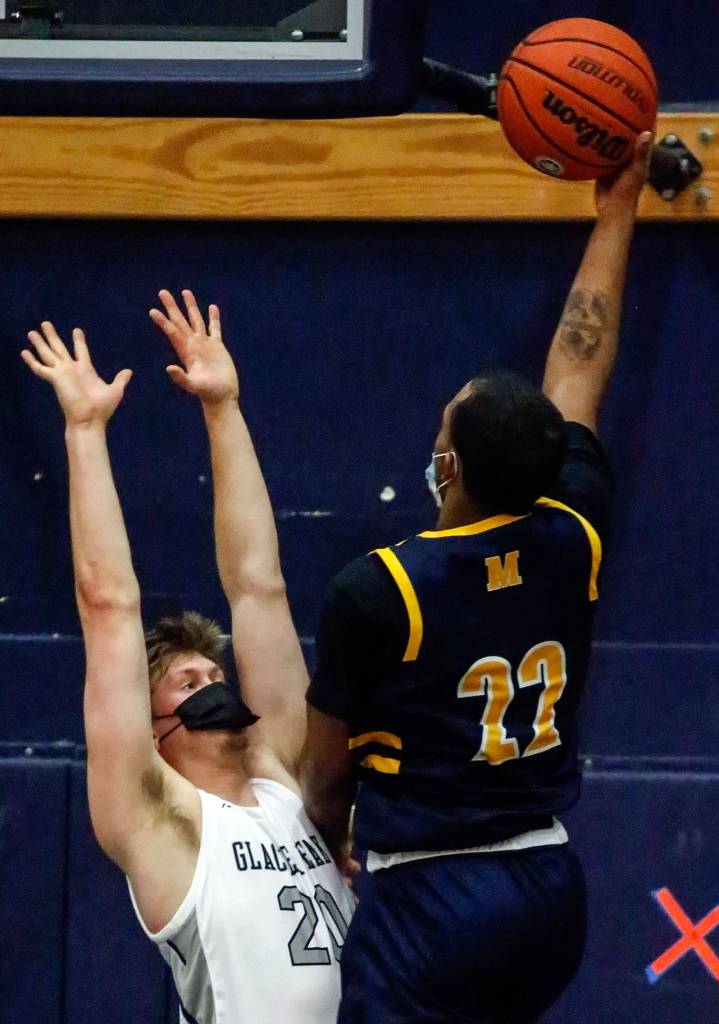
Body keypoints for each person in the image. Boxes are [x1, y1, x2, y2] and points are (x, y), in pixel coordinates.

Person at [301, 132, 654, 1024]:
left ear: (447, 468)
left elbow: (324, 781)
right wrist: (620, 202)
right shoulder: (573, 528)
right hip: (545, 887)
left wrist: (329, 841)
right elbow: (579, 361)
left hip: (432, 897)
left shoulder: (379, 587)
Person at [21, 290, 352, 1024]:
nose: (211, 684)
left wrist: (222, 408)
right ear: (149, 719)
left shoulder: (280, 778)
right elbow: (108, 605)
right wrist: (84, 432)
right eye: (187, 680)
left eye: (214, 674)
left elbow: (258, 585)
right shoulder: (160, 818)